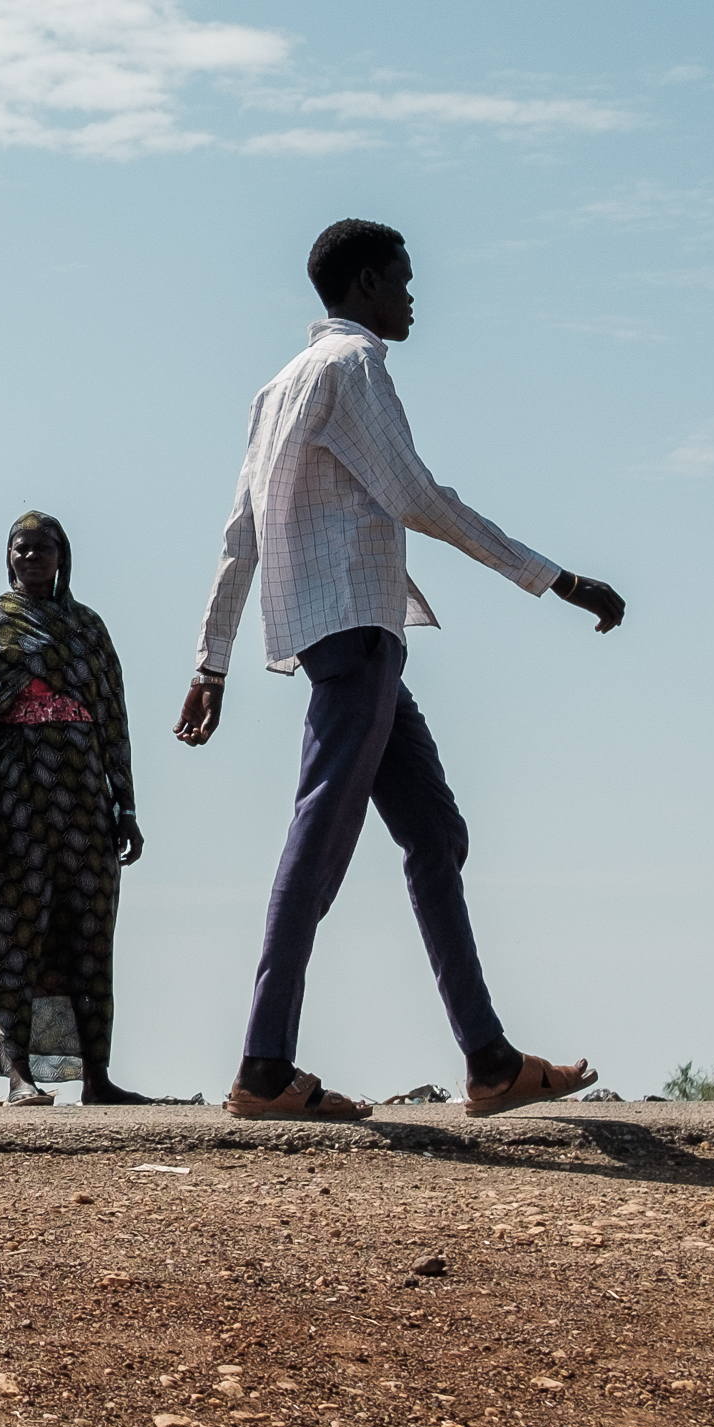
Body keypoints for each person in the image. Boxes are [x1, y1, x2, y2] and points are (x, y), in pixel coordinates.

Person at [178, 218, 627, 1124]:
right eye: (405, 281)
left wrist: (212, 661)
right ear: (369, 280)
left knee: (435, 832)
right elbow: (418, 497)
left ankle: (491, 1060)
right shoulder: (354, 369)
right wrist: (556, 578)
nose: (414, 297)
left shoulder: (276, 387)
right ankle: (264, 1066)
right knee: (318, 843)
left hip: (341, 635)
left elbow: (240, 537)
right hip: (355, 636)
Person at [0, 513, 146, 1104]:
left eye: (44, 547)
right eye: (22, 548)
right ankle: (20, 1075)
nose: (33, 556)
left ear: (63, 556)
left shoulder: (88, 629)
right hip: (12, 805)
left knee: (87, 934)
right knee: (9, 934)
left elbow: (112, 721)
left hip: (84, 803)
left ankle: (98, 1078)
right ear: (9, 559)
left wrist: (125, 806)